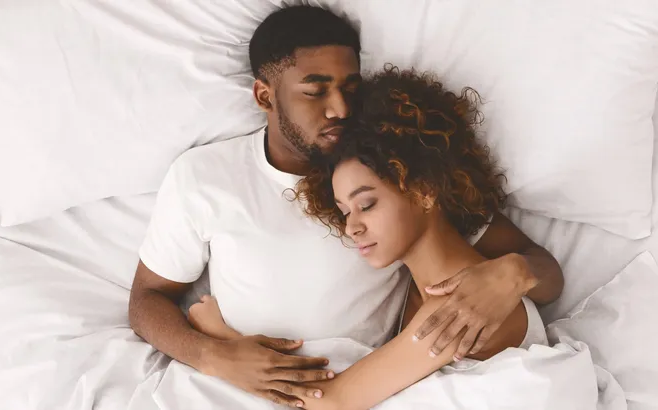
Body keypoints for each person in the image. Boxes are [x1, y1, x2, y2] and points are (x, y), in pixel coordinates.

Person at [128, 5, 563, 408]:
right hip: (242, 384)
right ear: (264, 96)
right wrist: (213, 354)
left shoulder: (393, 170)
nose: (339, 108)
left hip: (348, 387)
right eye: (315, 92)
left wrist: (513, 271)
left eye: (349, 89)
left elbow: (541, 269)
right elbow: (146, 300)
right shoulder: (206, 176)